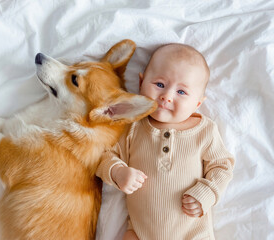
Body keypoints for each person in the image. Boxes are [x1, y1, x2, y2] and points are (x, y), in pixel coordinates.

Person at [96, 43, 235, 240]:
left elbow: (222, 166)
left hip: (192, 234)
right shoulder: (133, 127)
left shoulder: (204, 130)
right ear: (141, 83)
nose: (166, 97)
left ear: (197, 103)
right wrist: (118, 172)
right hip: (139, 233)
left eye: (181, 92)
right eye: (160, 84)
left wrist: (207, 193)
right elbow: (103, 156)